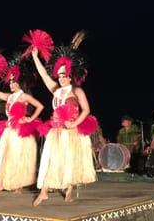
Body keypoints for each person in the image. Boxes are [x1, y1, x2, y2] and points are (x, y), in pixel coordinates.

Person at [31, 30, 98, 206]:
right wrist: (36, 57)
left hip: (72, 131)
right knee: (50, 159)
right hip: (56, 130)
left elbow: (86, 110)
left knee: (70, 160)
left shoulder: (77, 91)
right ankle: (44, 191)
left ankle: (68, 191)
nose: (60, 78)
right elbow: (44, 76)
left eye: (64, 75)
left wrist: (74, 123)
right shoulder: (56, 90)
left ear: (70, 75)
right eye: (59, 75)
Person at [0, 53, 44, 199]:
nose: (11, 84)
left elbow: (40, 106)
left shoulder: (24, 96)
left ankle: (18, 184)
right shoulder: (9, 97)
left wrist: (30, 119)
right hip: (9, 130)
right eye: (10, 82)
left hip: (20, 131)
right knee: (4, 155)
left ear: (19, 82)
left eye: (13, 82)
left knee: (19, 157)